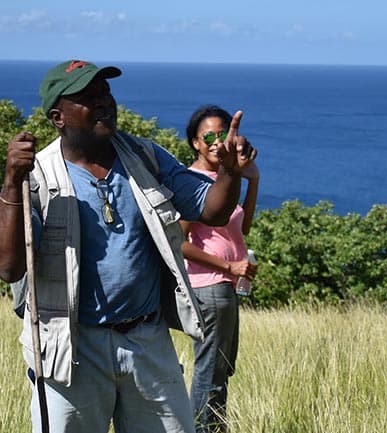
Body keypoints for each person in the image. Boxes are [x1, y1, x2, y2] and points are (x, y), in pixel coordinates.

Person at [0, 60, 256, 433]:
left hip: (146, 340)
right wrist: (10, 183)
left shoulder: (145, 157)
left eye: (106, 93)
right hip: (71, 348)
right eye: (90, 98)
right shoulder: (36, 176)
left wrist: (230, 171)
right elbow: (9, 268)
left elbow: (212, 211)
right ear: (59, 117)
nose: (105, 103)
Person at [180, 105, 259, 433]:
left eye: (222, 135)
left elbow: (245, 228)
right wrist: (229, 264)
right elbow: (178, 243)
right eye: (207, 136)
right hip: (208, 286)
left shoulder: (226, 178)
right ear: (195, 143)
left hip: (227, 286)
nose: (216, 142)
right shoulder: (192, 181)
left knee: (221, 370)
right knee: (210, 372)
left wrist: (250, 177)